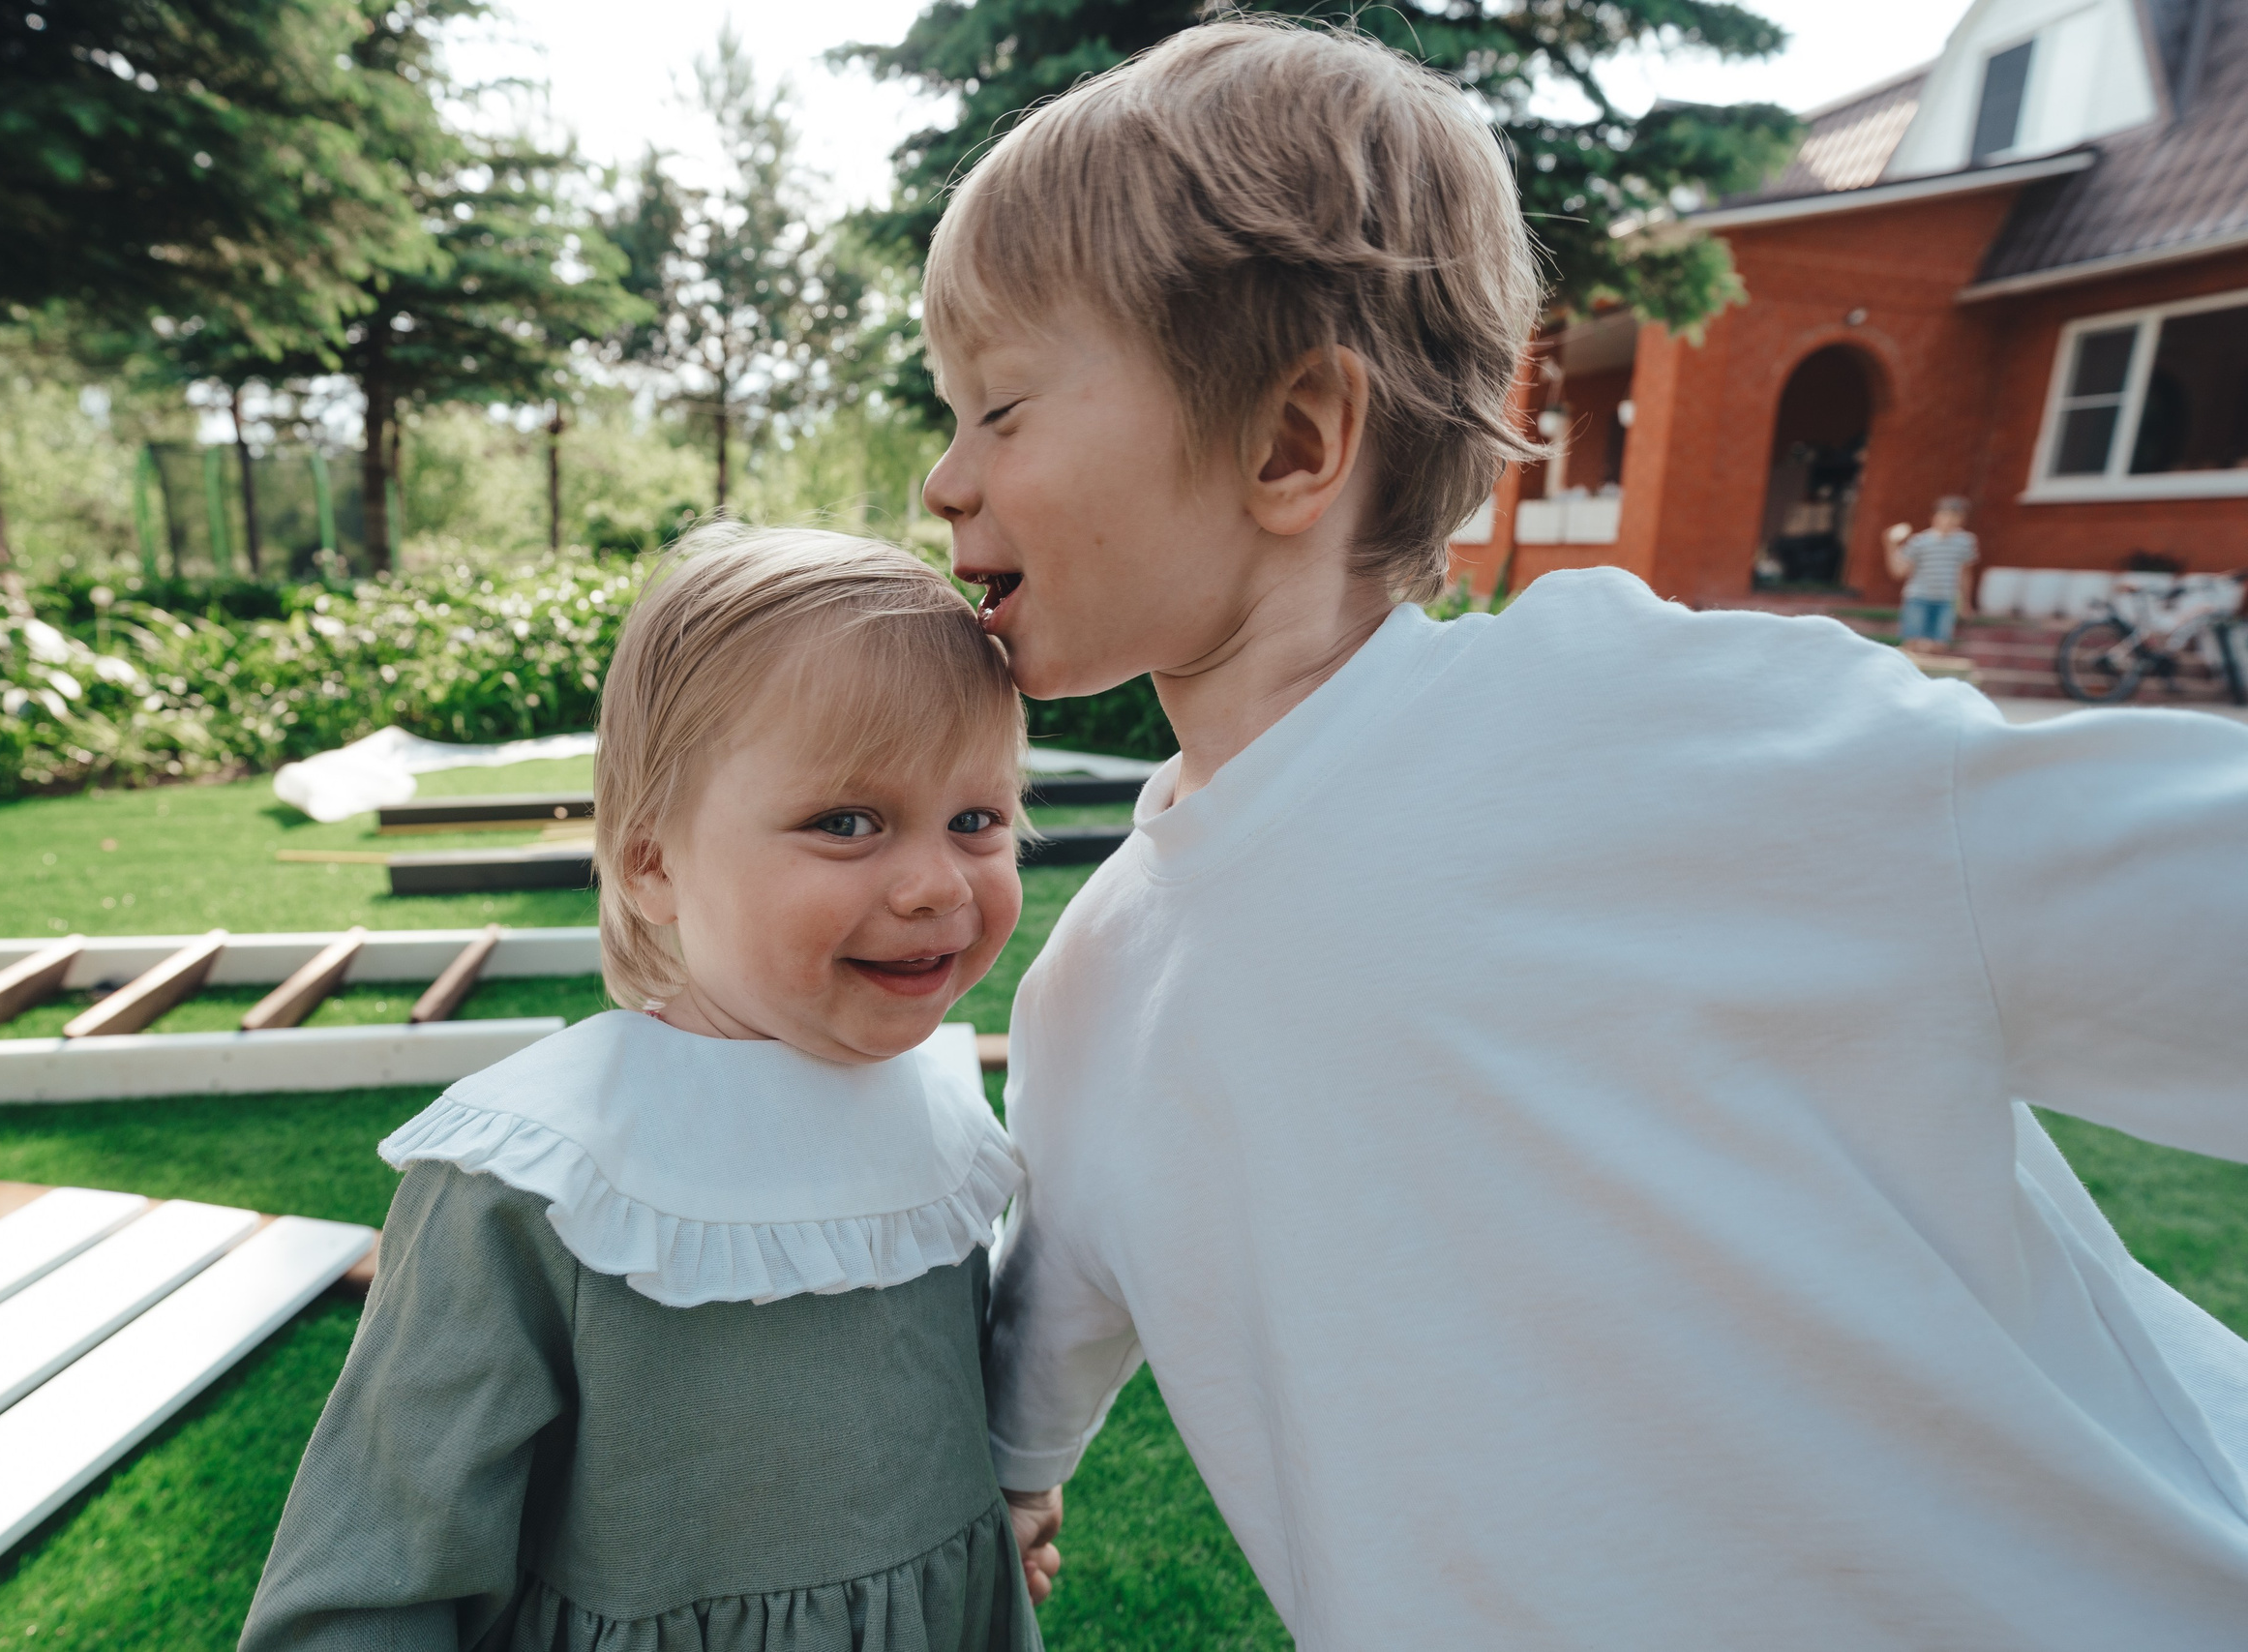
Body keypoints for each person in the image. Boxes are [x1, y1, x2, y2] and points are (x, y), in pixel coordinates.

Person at [919, 18, 2248, 1650]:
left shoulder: (1696, 745)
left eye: (996, 409)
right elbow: (1005, 1423)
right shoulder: (1094, 988)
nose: (941, 478)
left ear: (1291, 443)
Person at [240, 526, 1043, 1652]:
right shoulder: (537, 1176)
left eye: (977, 820)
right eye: (845, 822)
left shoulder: (946, 1127)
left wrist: (983, 1514)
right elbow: (379, 1574)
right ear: (652, 862)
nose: (934, 884)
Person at [1884, 496, 1980, 652]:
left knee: (1939, 646)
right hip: (1918, 598)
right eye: (1945, 515)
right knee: (1912, 644)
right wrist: (1890, 544)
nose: (1950, 521)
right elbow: (1899, 572)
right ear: (1935, 517)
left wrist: (1966, 602)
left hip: (1946, 599)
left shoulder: (1966, 542)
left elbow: (1965, 573)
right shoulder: (1919, 542)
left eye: (1956, 516)